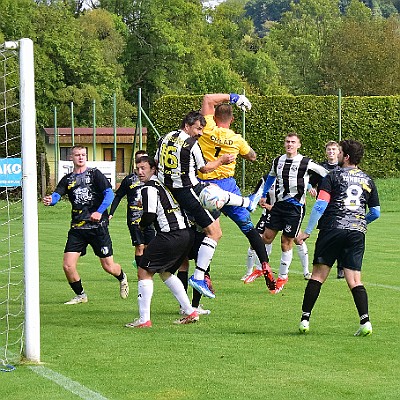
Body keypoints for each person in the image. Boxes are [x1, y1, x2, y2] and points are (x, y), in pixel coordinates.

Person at [155, 110, 262, 299]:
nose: (200, 133)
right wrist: (221, 160)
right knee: (215, 231)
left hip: (170, 191)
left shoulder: (166, 137)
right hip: (188, 190)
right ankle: (198, 276)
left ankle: (248, 202)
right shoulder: (191, 144)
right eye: (197, 128)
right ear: (187, 125)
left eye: (202, 129)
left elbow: (157, 161)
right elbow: (205, 168)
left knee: (215, 193)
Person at [296, 140, 380, 336]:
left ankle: (305, 319)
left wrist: (307, 231)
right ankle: (365, 321)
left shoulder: (333, 176)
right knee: (354, 279)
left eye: (340, 152)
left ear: (347, 156)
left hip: (332, 229)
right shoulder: (368, 180)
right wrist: (360, 222)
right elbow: (375, 212)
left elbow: (320, 205)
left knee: (318, 275)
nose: (338, 155)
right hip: (356, 232)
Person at [198, 93, 276, 292]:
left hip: (206, 188)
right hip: (228, 186)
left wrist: (234, 97)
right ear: (232, 120)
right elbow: (252, 157)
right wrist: (241, 149)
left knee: (209, 234)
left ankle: (205, 275)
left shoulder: (206, 128)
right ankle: (266, 266)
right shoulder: (236, 139)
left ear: (214, 117)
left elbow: (208, 98)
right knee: (249, 229)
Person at [43, 145, 129, 304]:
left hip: (98, 228)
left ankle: (122, 277)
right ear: (71, 158)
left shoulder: (95, 174)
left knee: (108, 266)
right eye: (77, 155)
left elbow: (109, 194)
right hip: (77, 228)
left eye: (83, 155)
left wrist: (99, 211)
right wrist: (51, 200)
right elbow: (57, 194)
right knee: (68, 266)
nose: (80, 157)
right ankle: (81, 295)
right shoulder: (68, 179)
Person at [124, 156, 199, 327]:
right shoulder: (165, 183)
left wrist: (140, 226)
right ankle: (190, 311)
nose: (140, 172)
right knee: (165, 272)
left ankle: (144, 320)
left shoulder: (149, 187)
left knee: (143, 271)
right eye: (138, 168)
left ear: (153, 169)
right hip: (186, 234)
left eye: (144, 168)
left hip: (170, 234)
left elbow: (149, 215)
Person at [258, 132, 328, 294]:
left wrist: (317, 187)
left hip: (296, 207)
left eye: (293, 142)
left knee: (286, 241)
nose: (290, 144)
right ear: (284, 144)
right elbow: (270, 176)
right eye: (287, 142)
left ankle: (282, 276)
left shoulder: (305, 162)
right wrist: (263, 194)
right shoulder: (278, 161)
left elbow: (324, 173)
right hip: (278, 205)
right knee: (266, 237)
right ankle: (263, 267)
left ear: (299, 145)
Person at [242, 180, 311, 282]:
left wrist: (310, 188)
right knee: (257, 241)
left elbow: (304, 184)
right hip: (269, 215)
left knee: (298, 239)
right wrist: (251, 203)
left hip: (288, 214)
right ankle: (252, 272)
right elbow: (257, 195)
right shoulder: (266, 179)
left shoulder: (290, 178)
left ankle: (306, 272)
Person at [109, 150, 156, 268]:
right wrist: (111, 213)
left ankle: (144, 266)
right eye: (138, 163)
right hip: (134, 219)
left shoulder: (153, 179)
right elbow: (118, 196)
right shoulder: (129, 180)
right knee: (139, 246)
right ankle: (141, 270)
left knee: (149, 247)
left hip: (149, 217)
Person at [310, 140, 345, 279]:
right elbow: (309, 183)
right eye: (329, 150)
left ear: (338, 152)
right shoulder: (321, 168)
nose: (331, 152)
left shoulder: (343, 167)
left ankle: (341, 267)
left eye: (334, 150)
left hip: (339, 207)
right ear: (326, 152)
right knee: (325, 235)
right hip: (324, 207)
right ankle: (321, 265)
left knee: (341, 235)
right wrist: (310, 188)